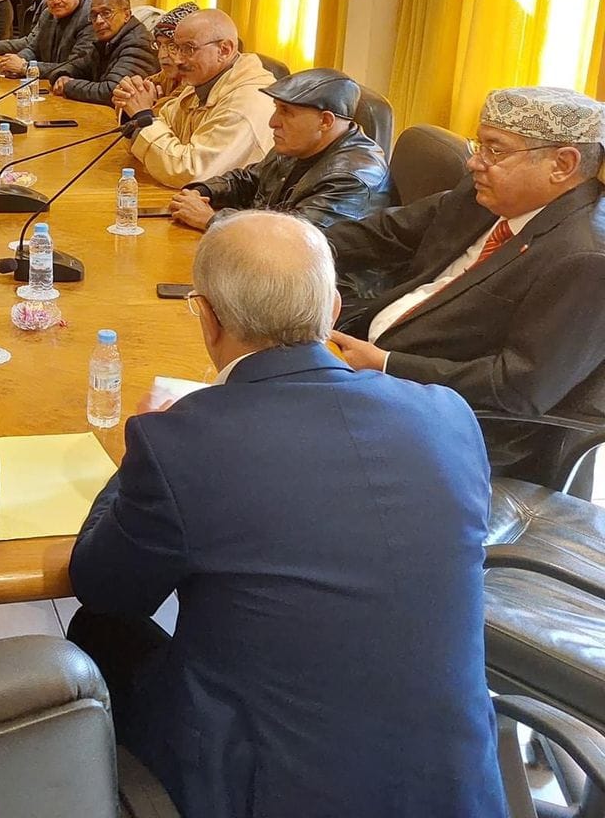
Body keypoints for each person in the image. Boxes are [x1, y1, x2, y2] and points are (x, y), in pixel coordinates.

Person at [69, 211, 504, 818]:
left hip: (267, 792)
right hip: (453, 790)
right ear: (333, 308)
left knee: (97, 629)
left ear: (206, 316)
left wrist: (139, 451)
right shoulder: (446, 414)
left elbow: (102, 586)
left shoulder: (182, 445)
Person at [326, 86, 605, 485]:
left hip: (454, 426)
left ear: (562, 164)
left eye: (495, 150)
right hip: (368, 362)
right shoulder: (486, 196)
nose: (474, 162)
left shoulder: (585, 257)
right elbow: (385, 233)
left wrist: (385, 364)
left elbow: (517, 387)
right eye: (479, 144)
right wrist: (290, 246)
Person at [167, 67, 391, 235]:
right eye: (276, 109)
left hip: (329, 282)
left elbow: (294, 239)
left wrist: (211, 220)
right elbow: (250, 179)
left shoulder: (353, 177)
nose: (273, 122)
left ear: (325, 121)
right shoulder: (299, 143)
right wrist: (202, 192)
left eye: (286, 112)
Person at [111, 8, 276, 187]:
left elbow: (191, 173)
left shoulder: (245, 103)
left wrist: (143, 116)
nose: (178, 60)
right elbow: (165, 125)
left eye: (189, 49)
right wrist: (133, 110)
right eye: (176, 48)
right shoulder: (203, 82)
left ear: (224, 50)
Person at [48, 0, 159, 104]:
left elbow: (113, 91)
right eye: (94, 15)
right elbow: (76, 67)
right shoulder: (105, 41)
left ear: (126, 15)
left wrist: (69, 85)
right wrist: (61, 75)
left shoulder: (139, 43)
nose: (99, 21)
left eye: (106, 13)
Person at [148, 1, 198, 101]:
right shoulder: (166, 75)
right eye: (159, 45)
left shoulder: (195, 82)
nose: (161, 55)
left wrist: (147, 106)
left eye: (172, 46)